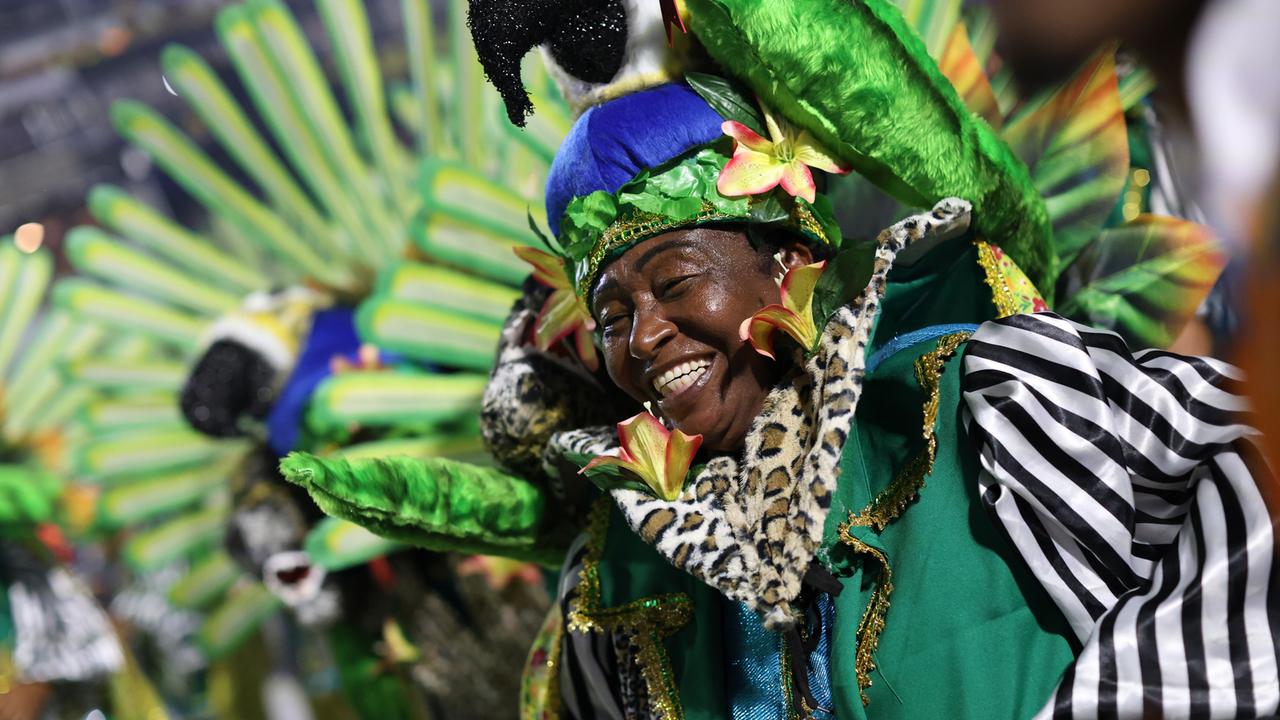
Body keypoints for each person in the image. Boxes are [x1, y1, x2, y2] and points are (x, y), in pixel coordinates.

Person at [282, 0, 1277, 716]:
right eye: (613, 316)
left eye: (676, 285)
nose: (647, 338)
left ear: (791, 262)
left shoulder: (981, 398)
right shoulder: (625, 577)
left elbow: (1244, 503)